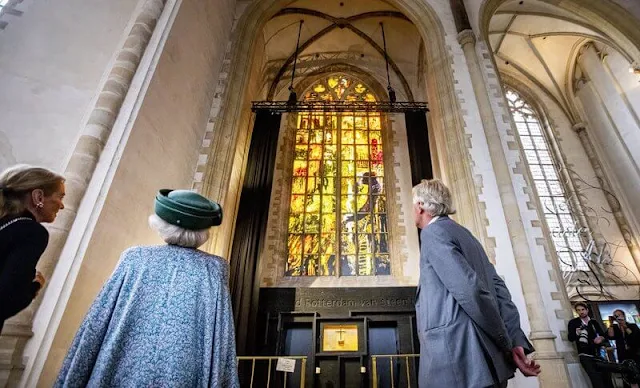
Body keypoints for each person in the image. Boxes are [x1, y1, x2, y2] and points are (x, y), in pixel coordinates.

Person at [55, 189, 239, 387]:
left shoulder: (135, 257)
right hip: (181, 371)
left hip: (120, 365)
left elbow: (99, 319)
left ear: (161, 222)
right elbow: (221, 336)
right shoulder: (214, 268)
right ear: (203, 232)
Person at [412, 179, 540, 388]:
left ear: (420, 206)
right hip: (488, 365)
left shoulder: (433, 233)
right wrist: (514, 339)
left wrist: (506, 342)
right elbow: (499, 290)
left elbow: (471, 291)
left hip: (459, 363)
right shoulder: (466, 235)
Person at [0, 164, 65, 334]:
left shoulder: (5, 224)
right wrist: (34, 286)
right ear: (38, 197)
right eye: (60, 197)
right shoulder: (31, 232)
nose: (62, 205)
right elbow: (7, 300)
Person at [568, 302, 614, 388]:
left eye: (583, 309)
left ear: (587, 310)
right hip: (585, 355)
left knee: (606, 378)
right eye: (578, 310)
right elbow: (570, 338)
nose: (581, 312)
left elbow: (603, 335)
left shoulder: (593, 322)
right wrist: (576, 333)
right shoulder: (573, 322)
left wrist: (601, 338)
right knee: (596, 380)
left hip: (598, 353)